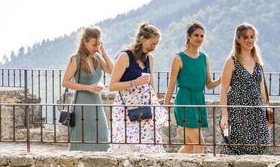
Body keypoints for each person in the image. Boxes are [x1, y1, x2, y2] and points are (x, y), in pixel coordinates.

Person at [108, 22, 167, 153]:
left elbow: (151, 84)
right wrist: (135, 82)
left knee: (150, 147)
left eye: (156, 44)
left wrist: (156, 103)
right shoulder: (125, 57)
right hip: (125, 112)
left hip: (146, 112)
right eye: (152, 44)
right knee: (128, 147)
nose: (154, 47)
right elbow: (112, 86)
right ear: (142, 38)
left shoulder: (149, 58)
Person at [164, 22, 221, 154]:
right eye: (196, 35)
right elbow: (171, 84)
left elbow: (209, 84)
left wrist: (222, 79)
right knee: (199, 143)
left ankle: (174, 165)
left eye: (202, 36)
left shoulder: (204, 57)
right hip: (184, 100)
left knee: (189, 145)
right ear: (188, 36)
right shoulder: (178, 58)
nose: (199, 38)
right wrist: (165, 106)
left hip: (198, 100)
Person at [219, 23, 271, 155]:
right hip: (237, 111)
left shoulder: (257, 60)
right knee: (238, 144)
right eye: (246, 37)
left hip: (256, 111)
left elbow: (261, 86)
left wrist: (267, 107)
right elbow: (224, 90)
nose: (250, 40)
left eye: (252, 37)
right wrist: (224, 116)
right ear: (238, 39)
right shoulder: (231, 61)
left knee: (262, 143)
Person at [62, 26, 114, 151]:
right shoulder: (76, 59)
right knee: (82, 137)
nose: (96, 47)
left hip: (96, 103)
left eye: (98, 44)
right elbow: (65, 82)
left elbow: (112, 71)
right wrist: (88, 88)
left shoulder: (97, 57)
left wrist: (104, 53)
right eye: (94, 44)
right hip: (81, 104)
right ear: (84, 42)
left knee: (102, 134)